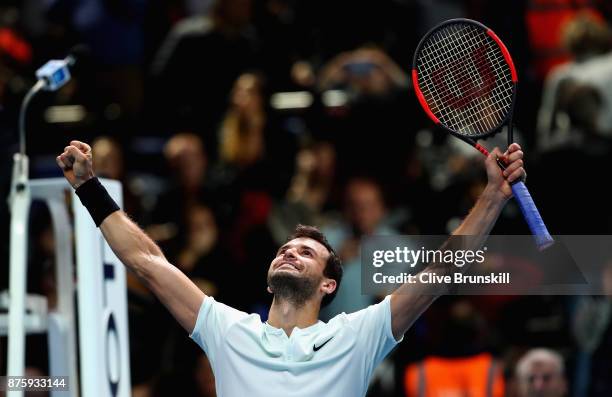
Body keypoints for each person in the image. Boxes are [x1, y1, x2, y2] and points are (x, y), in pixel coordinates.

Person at [55, 140, 526, 396]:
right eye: (285, 248)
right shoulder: (226, 329)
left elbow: (441, 274)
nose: (289, 252)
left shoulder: (357, 335)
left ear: (328, 283)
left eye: (306, 252)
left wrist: (491, 197)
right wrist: (89, 188)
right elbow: (147, 261)